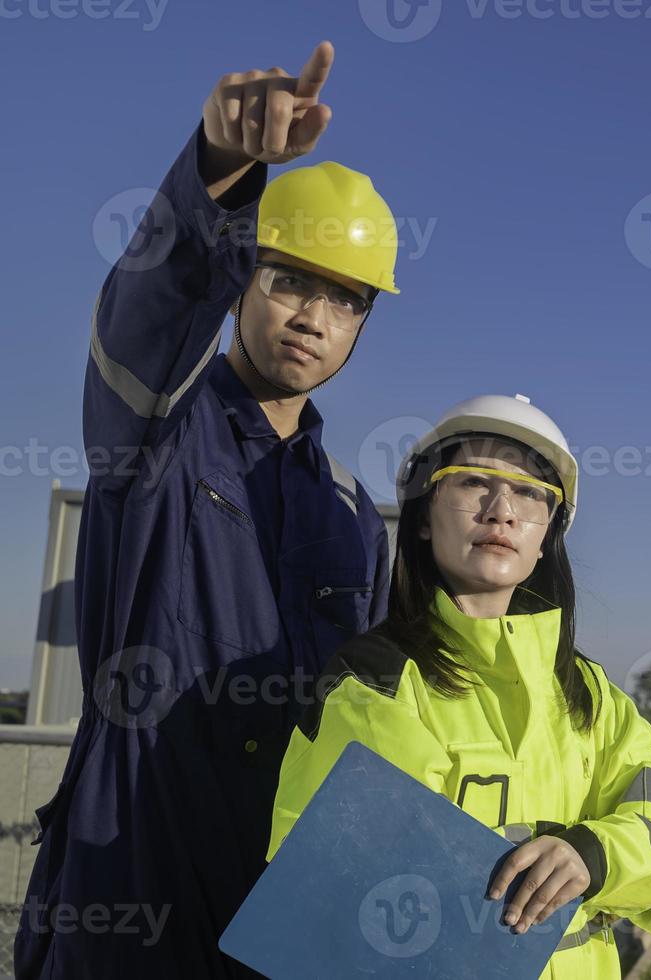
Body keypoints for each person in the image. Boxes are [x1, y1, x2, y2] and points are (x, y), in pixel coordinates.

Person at [16, 42, 401, 979]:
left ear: (361, 326)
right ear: (243, 288)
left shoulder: (355, 515)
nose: (313, 315)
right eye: (289, 280)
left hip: (280, 906)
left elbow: (377, 729)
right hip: (133, 877)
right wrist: (218, 178)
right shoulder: (156, 431)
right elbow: (150, 314)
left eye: (344, 300)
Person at [266, 395, 651, 977]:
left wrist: (594, 855)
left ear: (548, 533)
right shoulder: (376, 682)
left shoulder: (592, 694)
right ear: (423, 517)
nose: (502, 510)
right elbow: (335, 893)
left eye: (529, 493)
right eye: (473, 482)